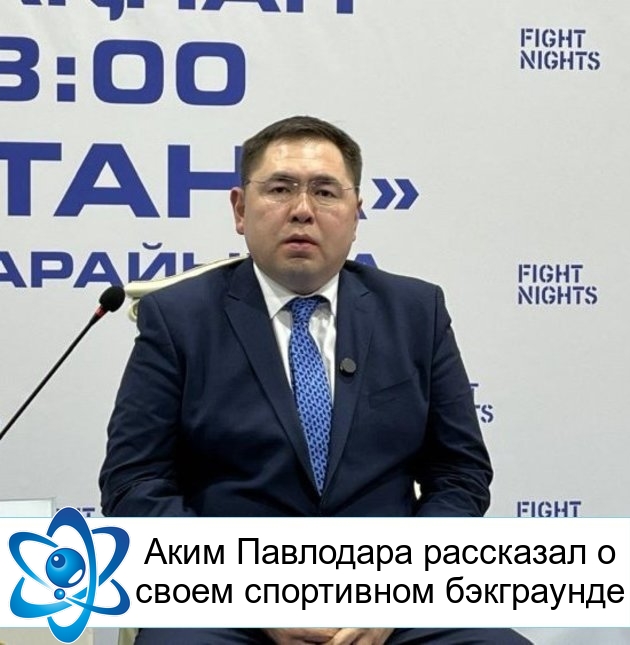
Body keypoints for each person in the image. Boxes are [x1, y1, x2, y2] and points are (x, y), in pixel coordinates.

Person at [100, 116, 531, 645]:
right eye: (280, 189)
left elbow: (460, 475)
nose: (302, 209)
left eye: (325, 192)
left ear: (356, 213)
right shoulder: (178, 318)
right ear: (240, 209)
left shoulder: (416, 311)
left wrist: (404, 589)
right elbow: (134, 483)